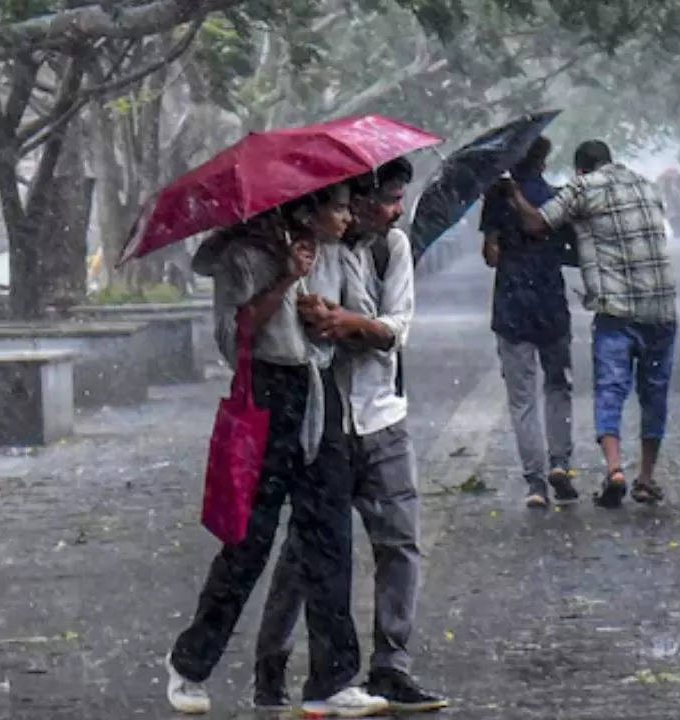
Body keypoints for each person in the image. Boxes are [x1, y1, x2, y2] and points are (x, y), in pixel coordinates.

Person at [164, 182, 389, 718]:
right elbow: (234, 337)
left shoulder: (335, 255)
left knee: (329, 536)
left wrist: (328, 319)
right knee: (249, 543)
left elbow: (359, 323)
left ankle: (332, 680)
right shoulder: (241, 256)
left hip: (319, 393)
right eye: (336, 208)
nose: (346, 216)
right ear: (306, 211)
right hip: (267, 397)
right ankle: (190, 664)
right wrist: (285, 276)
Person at [253, 159, 448, 713]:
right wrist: (327, 318)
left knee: (400, 543)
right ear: (352, 201)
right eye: (386, 198)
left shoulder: (394, 248)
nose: (395, 209)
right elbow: (299, 328)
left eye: (398, 198)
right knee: (306, 550)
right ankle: (273, 660)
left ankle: (391, 665)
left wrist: (351, 325)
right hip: (325, 421)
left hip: (383, 415)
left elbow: (396, 328)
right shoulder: (316, 249)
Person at [504, 140, 677, 509]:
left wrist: (513, 193)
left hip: (616, 311)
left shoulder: (582, 188)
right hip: (662, 309)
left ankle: (615, 470)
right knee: (654, 393)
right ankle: (645, 478)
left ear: (581, 170)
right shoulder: (647, 185)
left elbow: (537, 223)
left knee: (610, 388)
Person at [479, 137, 578, 508]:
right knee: (558, 387)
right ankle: (561, 464)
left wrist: (501, 231)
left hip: (511, 306)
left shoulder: (496, 198)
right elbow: (572, 250)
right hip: (551, 303)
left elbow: (491, 256)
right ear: (543, 161)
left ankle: (535, 483)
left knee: (522, 399)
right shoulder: (557, 197)